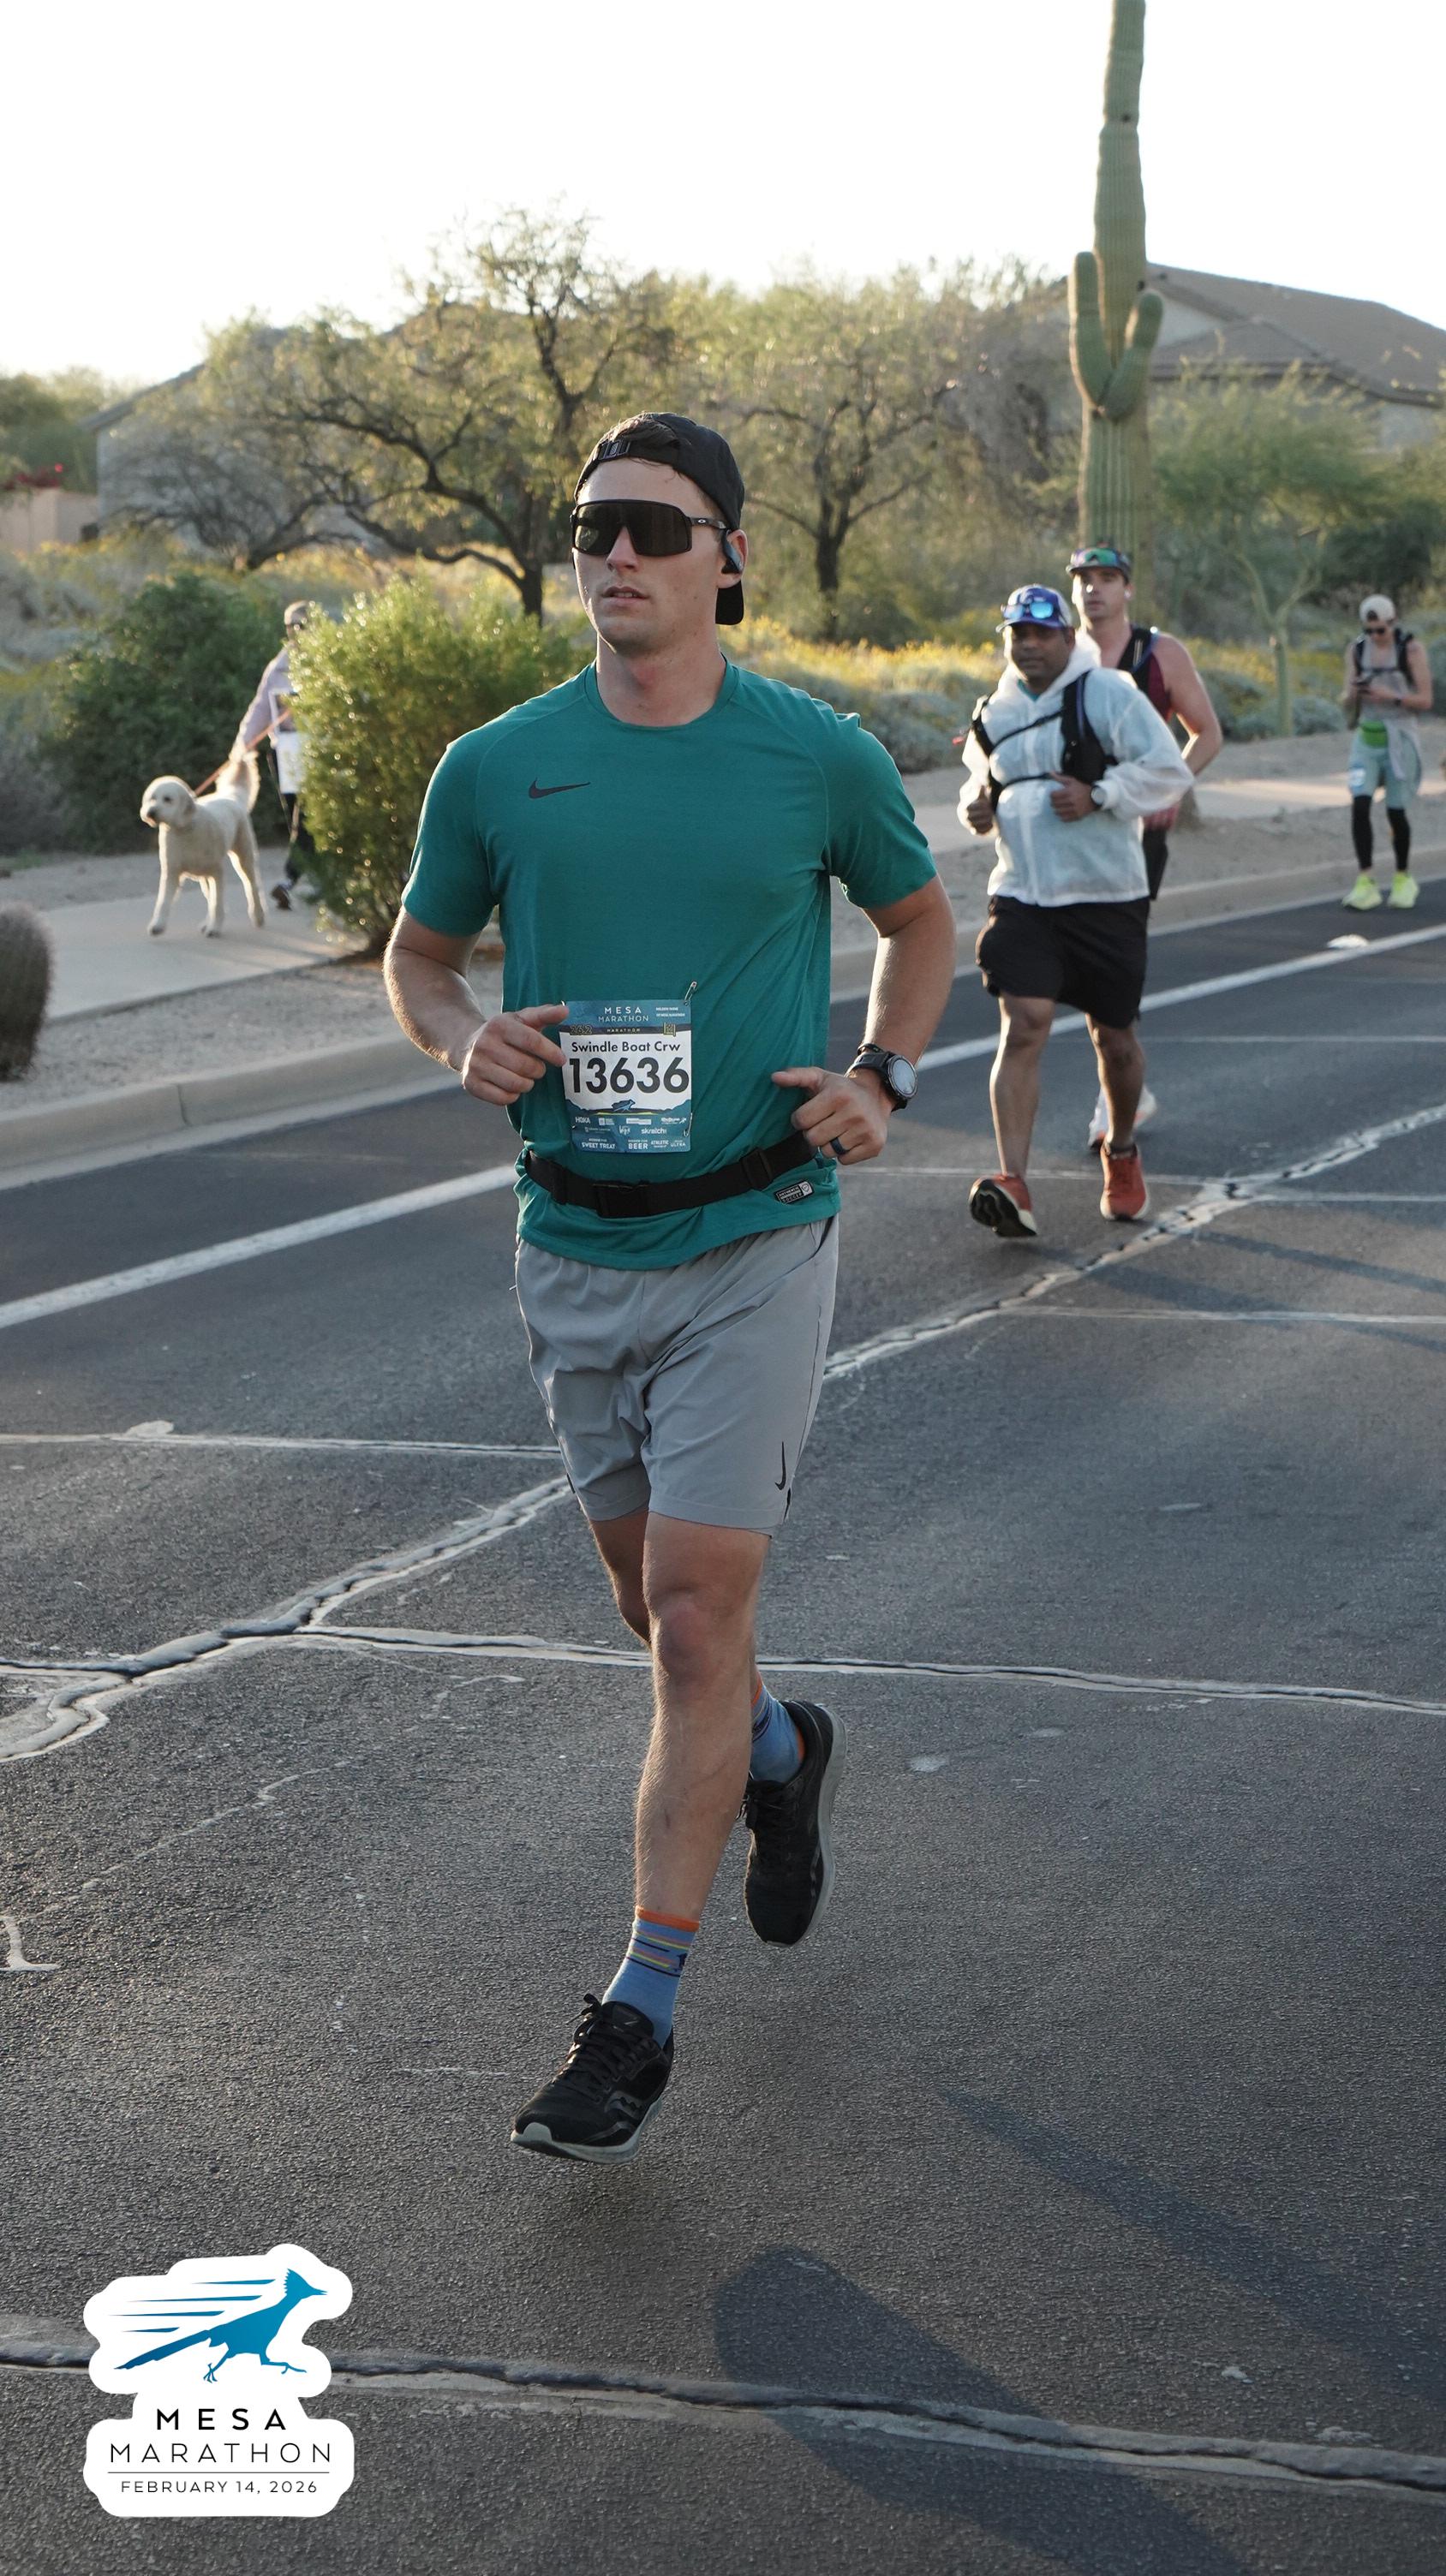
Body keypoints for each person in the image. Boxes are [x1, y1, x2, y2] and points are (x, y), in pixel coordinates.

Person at [385, 411, 956, 2162]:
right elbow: (419, 954)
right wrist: (458, 1034)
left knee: (696, 1615)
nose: (614, 554)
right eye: (589, 528)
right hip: (572, 1237)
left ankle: (634, 2012)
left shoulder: (812, 753)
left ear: (727, 558)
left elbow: (922, 923)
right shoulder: (497, 764)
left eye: (649, 526)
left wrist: (882, 1074)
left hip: (754, 1230)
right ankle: (778, 1753)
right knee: (652, 1612)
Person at [960, 584, 1192, 1240]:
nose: (1030, 646)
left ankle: (1121, 1149)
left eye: (1042, 634)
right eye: (1019, 635)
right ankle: (1012, 1180)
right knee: (1024, 1023)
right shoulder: (994, 713)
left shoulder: (1110, 694)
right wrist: (975, 808)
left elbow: (1169, 770)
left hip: (1106, 900)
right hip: (1023, 896)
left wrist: (1102, 793)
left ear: (1068, 637)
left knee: (1114, 1041)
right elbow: (977, 783)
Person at [1069, 541, 1223, 1147]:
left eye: (1107, 578)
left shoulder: (1159, 653)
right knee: (1077, 957)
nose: (1094, 589)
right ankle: (1124, 1088)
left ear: (1127, 588)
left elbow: (1207, 733)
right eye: (1084, 579)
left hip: (1135, 832)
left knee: (1111, 952)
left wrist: (1171, 787)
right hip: (1073, 829)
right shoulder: (1060, 652)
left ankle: (1115, 1101)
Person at [1341, 593, 1433, 910]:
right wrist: (1354, 693)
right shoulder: (1357, 650)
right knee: (1359, 804)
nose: (1375, 636)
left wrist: (1390, 696)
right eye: (1369, 631)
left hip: (1400, 736)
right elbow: (1345, 698)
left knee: (1395, 810)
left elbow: (1426, 699)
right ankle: (1365, 880)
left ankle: (1403, 877)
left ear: (1393, 623)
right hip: (1367, 737)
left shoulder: (1411, 650)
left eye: (1381, 630)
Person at [236, 601, 318, 910]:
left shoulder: (327, 660)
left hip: (320, 752)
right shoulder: (279, 666)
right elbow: (261, 706)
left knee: (306, 818)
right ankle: (319, 878)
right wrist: (243, 744)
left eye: (302, 625)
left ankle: (289, 879)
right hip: (285, 752)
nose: (296, 632)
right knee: (296, 816)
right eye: (291, 626)